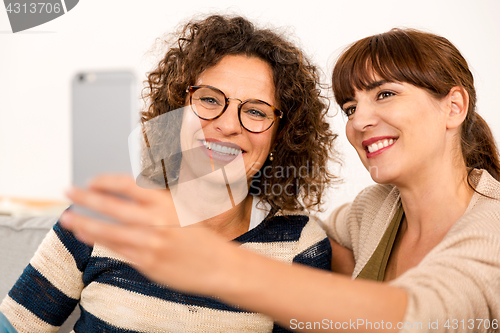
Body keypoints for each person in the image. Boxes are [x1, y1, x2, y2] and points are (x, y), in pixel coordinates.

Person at [55, 28, 499, 332]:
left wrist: (217, 264)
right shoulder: (370, 212)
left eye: (385, 94)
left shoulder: (492, 226)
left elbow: (424, 316)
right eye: (349, 107)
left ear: (454, 106)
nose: (361, 120)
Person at [0, 15, 338, 332]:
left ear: (283, 134)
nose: (228, 125)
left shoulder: (299, 245)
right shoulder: (100, 216)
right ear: (177, 109)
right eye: (209, 99)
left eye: (255, 111)